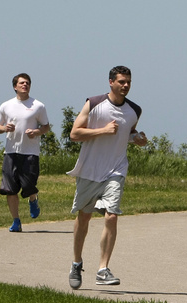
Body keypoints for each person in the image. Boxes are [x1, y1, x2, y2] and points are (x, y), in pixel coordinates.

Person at [66, 66, 148, 289]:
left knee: (112, 216)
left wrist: (137, 139)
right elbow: (74, 134)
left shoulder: (134, 110)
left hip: (116, 169)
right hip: (90, 170)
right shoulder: (94, 104)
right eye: (121, 81)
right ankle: (76, 263)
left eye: (128, 82)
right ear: (110, 82)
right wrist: (101, 131)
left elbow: (127, 133)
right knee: (84, 218)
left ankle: (103, 269)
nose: (126, 86)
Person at [0, 73, 51, 232]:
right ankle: (16, 221)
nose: (25, 85)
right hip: (11, 152)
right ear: (15, 87)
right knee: (10, 189)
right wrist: (5, 128)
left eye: (27, 83)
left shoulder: (38, 105)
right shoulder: (6, 105)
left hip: (30, 152)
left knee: (29, 185)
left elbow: (46, 126)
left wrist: (36, 132)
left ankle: (33, 200)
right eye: (22, 83)